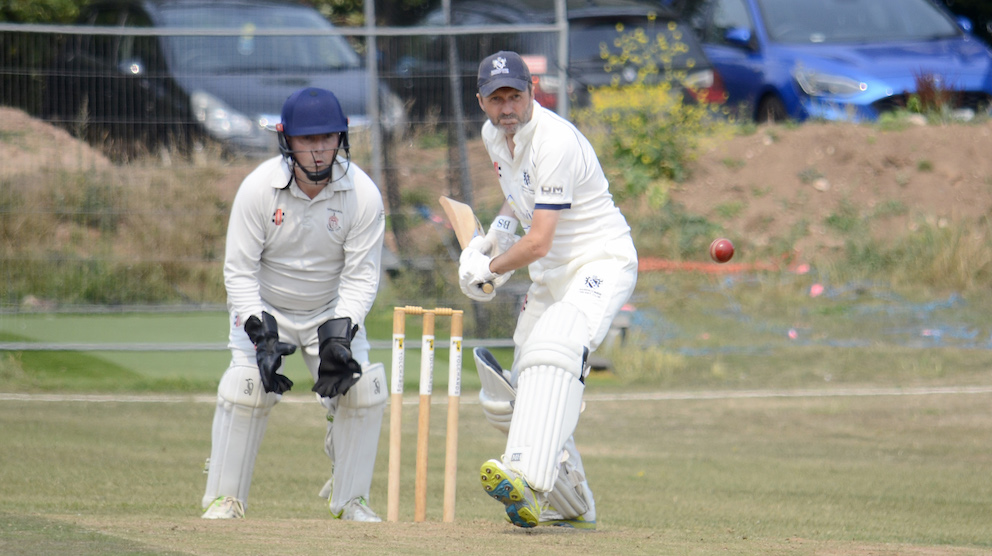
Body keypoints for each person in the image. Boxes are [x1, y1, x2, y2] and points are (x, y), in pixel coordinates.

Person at [459, 51, 639, 530]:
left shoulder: (554, 140)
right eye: (497, 99)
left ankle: (525, 475)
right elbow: (520, 196)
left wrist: (489, 271)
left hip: (600, 260)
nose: (507, 107)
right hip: (551, 276)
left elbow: (538, 241)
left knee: (557, 346)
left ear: (531, 93)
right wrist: (495, 233)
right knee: (518, 394)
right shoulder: (494, 137)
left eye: (515, 95)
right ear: (482, 102)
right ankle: (573, 503)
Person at [200, 87, 387, 522]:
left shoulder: (363, 194)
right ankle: (224, 499)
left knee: (361, 391)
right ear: (287, 140)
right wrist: (257, 329)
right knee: (245, 389)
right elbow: (239, 271)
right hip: (266, 310)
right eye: (308, 140)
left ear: (342, 138)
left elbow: (361, 276)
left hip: (329, 310)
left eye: (328, 138)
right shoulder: (257, 190)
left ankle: (351, 500)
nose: (319, 151)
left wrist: (344, 329)